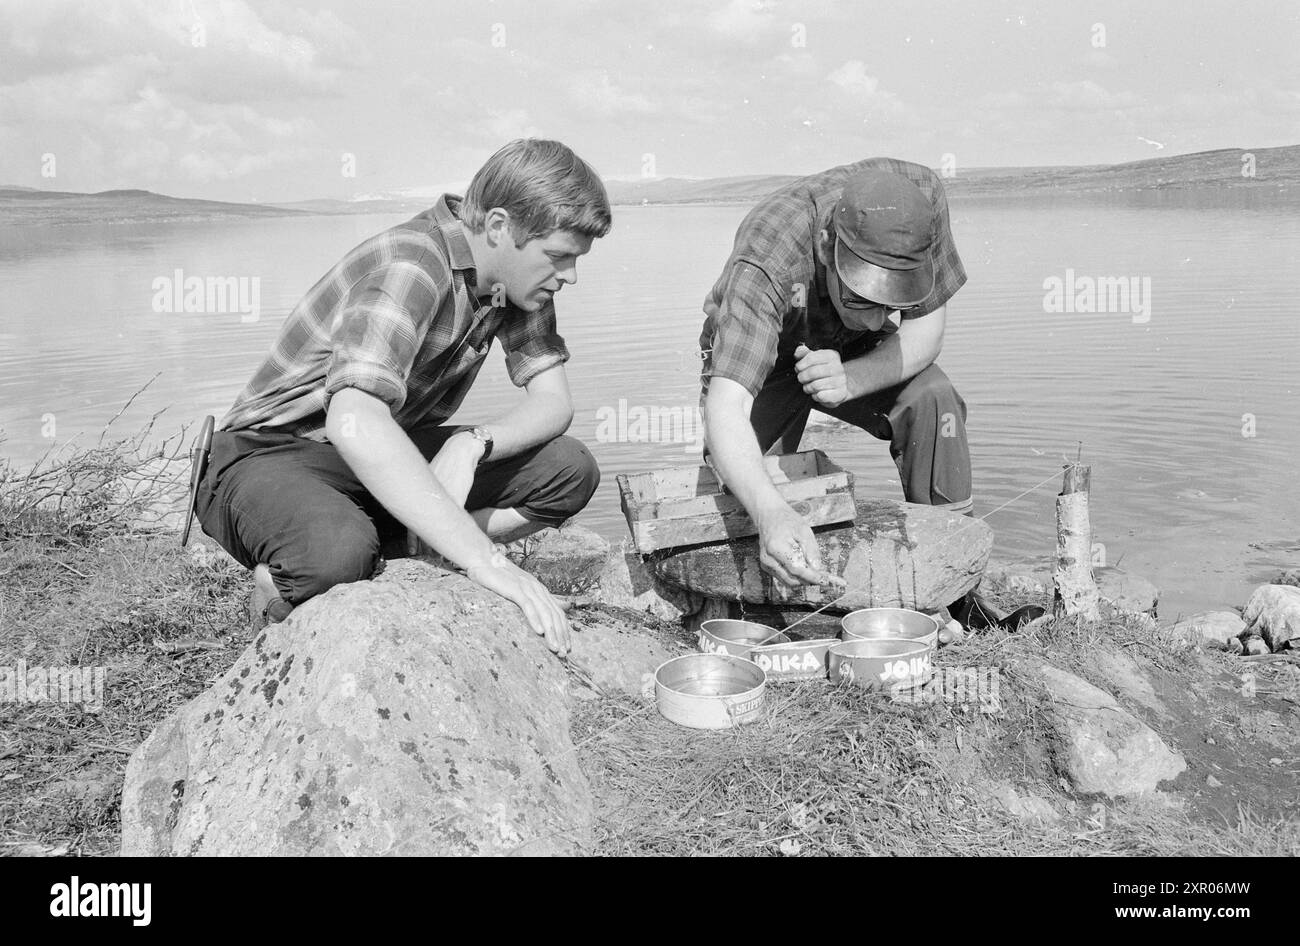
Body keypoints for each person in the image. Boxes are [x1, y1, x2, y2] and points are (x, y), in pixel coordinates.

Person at [196, 139, 611, 655]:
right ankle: (284, 591)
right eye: (559, 256)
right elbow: (355, 418)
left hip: (371, 454)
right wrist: (486, 561)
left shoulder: (516, 281)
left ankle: (411, 548)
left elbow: (554, 403)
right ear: (501, 227)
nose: (570, 275)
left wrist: (472, 444)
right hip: (268, 454)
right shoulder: (413, 264)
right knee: (335, 556)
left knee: (567, 469)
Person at [699, 157, 970, 591]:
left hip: (850, 354)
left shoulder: (919, 202)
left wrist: (852, 378)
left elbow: (926, 330)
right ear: (827, 246)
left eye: (892, 302)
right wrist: (771, 512)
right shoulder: (767, 257)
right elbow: (727, 405)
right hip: (767, 352)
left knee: (933, 397)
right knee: (741, 484)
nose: (878, 318)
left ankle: (953, 583)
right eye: (864, 298)